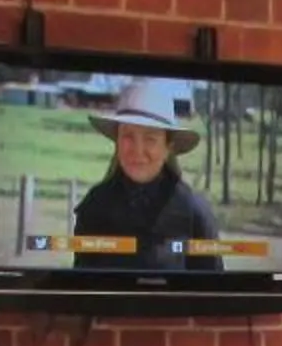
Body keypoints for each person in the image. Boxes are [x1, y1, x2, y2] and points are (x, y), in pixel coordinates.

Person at [70, 80, 220, 270]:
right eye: (128, 136)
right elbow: (80, 287)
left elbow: (215, 292)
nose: (137, 150)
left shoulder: (195, 212)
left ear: (168, 148)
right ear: (117, 141)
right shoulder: (95, 206)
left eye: (150, 138)